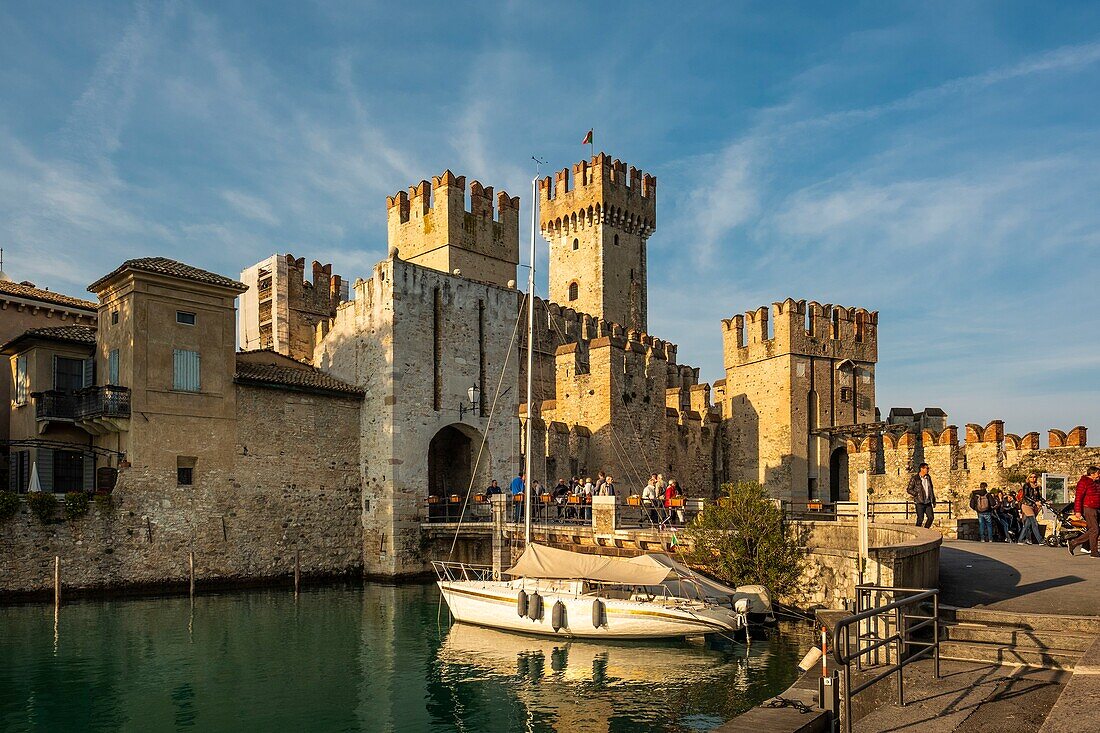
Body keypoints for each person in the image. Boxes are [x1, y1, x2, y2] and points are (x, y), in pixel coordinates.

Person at [1068, 466, 1100, 558]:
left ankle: (1081, 545)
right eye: (1098, 473)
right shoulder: (1083, 482)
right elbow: (1078, 497)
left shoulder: (1097, 482)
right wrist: (1077, 511)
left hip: (1097, 508)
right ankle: (1093, 551)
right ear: (1092, 474)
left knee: (1095, 530)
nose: (1099, 475)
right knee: (1094, 529)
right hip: (1089, 508)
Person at [906, 463, 936, 528]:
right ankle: (918, 532)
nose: (928, 470)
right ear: (921, 469)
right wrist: (916, 494)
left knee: (931, 517)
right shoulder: (915, 478)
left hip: (928, 502)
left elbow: (931, 489)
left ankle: (925, 531)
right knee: (920, 519)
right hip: (919, 502)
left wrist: (933, 499)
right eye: (927, 468)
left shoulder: (928, 477)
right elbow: (909, 489)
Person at [1017, 475, 1044, 545]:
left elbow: (1039, 497)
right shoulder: (1026, 486)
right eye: (1031, 477)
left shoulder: (1036, 487)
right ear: (1028, 478)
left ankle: (1020, 540)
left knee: (1027, 524)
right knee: (1034, 523)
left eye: (1034, 477)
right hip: (1026, 505)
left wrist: (1045, 501)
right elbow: (1025, 496)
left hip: (1032, 506)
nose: (1033, 478)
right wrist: (1035, 502)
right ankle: (1040, 540)